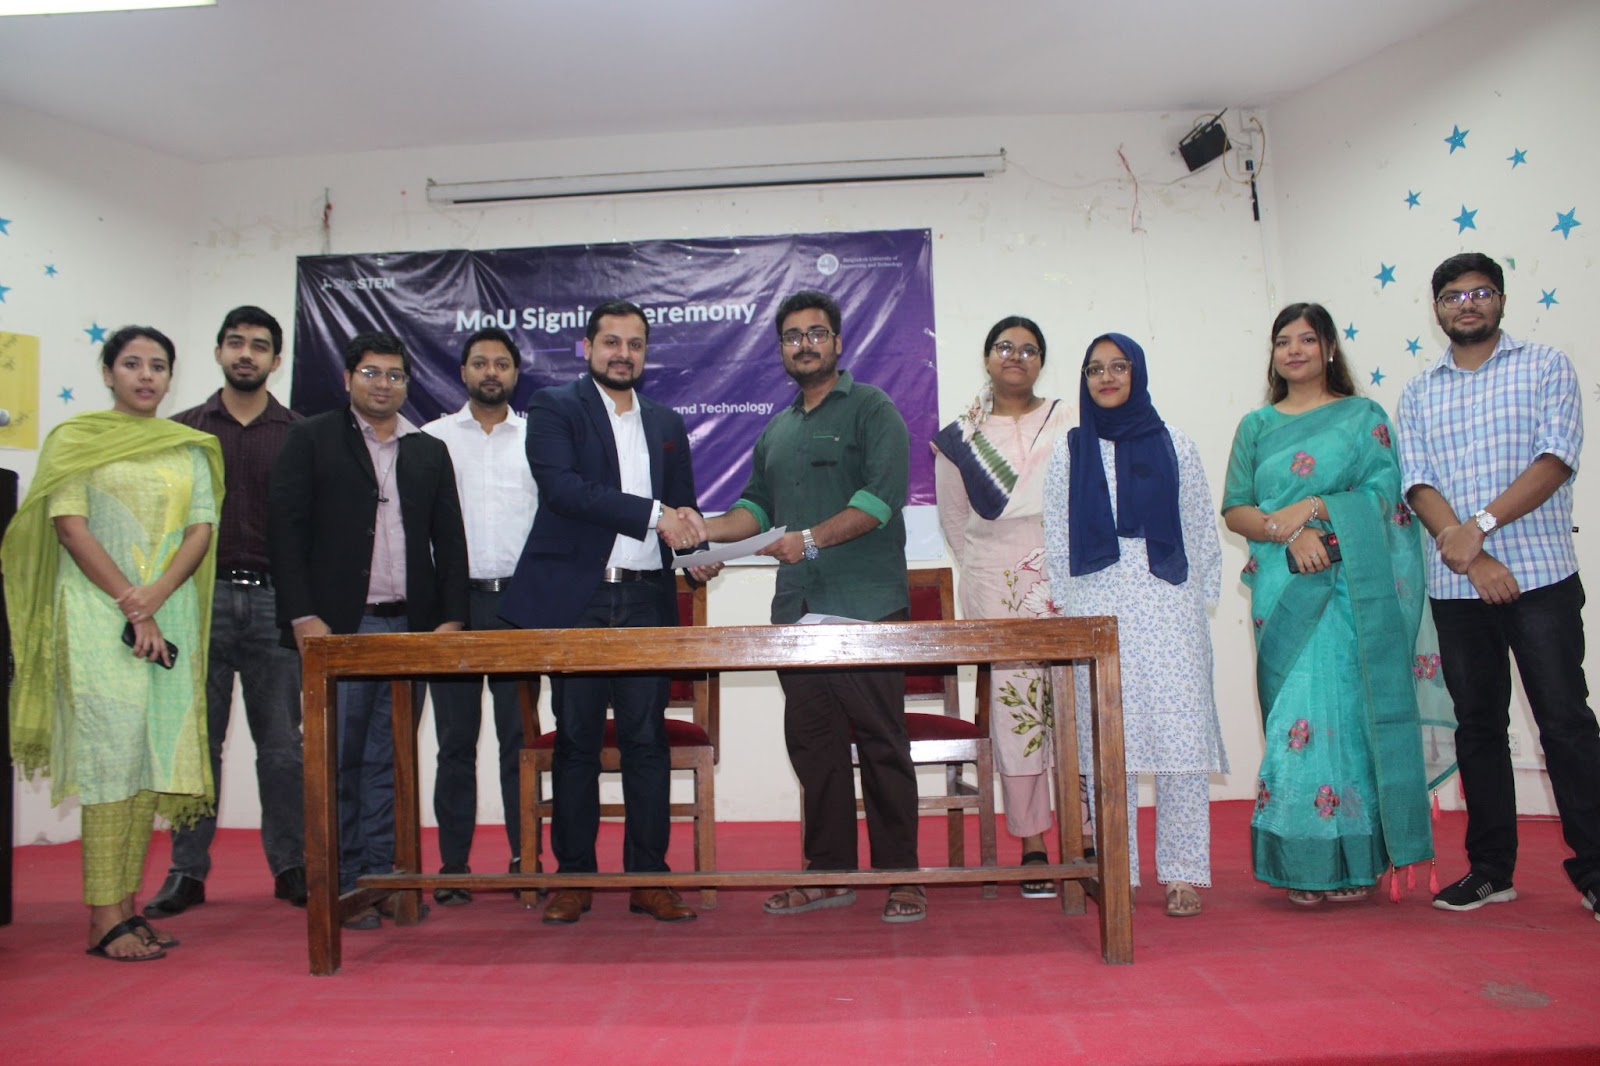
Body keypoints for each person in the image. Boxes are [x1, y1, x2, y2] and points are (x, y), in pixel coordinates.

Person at [701, 290, 924, 923]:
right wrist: (706, 537)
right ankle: (828, 872)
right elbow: (757, 512)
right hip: (796, 614)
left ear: (838, 343)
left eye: (817, 333)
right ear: (780, 350)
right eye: (793, 335)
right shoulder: (777, 429)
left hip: (865, 607)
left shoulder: (872, 409)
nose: (805, 343)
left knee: (882, 743)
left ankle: (903, 876)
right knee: (814, 745)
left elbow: (881, 501)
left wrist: (811, 540)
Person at [3, 326, 223, 960]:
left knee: (146, 758)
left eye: (158, 365)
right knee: (109, 759)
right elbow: (70, 527)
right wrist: (132, 600)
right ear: (107, 372)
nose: (146, 376)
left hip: (169, 613)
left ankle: (127, 907)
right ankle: (103, 915)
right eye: (131, 364)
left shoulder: (189, 448)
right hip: (99, 618)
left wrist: (155, 600)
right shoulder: (77, 442)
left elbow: (200, 529)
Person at [1396, 253, 1600, 919]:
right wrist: (1470, 555)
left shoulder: (1544, 366)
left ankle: (1595, 868)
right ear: (1437, 310)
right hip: (1457, 589)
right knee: (1478, 727)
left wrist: (1478, 526)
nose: (1467, 304)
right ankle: (1491, 870)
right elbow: (1417, 482)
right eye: (1454, 296)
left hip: (1540, 575)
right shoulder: (1421, 391)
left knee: (1565, 723)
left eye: (1481, 293)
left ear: (1501, 300)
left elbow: (1557, 457)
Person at [499, 300, 703, 925]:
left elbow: (684, 510)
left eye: (635, 344)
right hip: (579, 599)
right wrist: (654, 516)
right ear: (586, 348)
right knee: (578, 739)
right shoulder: (555, 407)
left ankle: (649, 879)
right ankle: (574, 879)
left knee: (647, 741)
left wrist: (697, 551)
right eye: (611, 342)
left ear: (646, 353)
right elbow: (563, 489)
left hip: (646, 597)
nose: (623, 353)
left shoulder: (667, 421)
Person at [1223, 303, 1432, 906]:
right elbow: (1236, 508)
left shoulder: (1363, 417)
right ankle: (1301, 859)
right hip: (1283, 587)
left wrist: (1316, 508)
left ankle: (1353, 859)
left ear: (1330, 349)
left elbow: (1385, 497)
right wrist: (1289, 533)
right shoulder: (1256, 426)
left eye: (1306, 340)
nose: (1294, 351)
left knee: (1344, 713)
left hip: (1349, 590)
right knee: (1295, 719)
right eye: (1282, 341)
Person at [267, 330, 469, 930]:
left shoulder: (427, 450)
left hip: (410, 629)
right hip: (340, 630)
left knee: (393, 760)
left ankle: (388, 878)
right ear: (349, 378)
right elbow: (286, 531)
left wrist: (451, 618)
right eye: (372, 373)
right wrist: (304, 617)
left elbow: (450, 542)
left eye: (395, 375)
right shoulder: (310, 440)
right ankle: (347, 881)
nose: (384, 385)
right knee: (340, 760)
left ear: (409, 382)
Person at [1042, 333, 1226, 916]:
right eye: (1095, 369)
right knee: (1108, 737)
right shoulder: (1070, 452)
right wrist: (1070, 612)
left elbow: (1199, 527)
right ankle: (1118, 867)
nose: (1106, 377)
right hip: (1098, 601)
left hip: (1167, 601)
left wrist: (1199, 601)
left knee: (1178, 738)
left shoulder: (1177, 444)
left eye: (1118, 366)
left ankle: (1182, 873)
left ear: (1137, 373)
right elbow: (1055, 537)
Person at [145, 306, 306, 919]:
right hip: (197, 602)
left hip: (273, 605)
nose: (247, 354)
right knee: (197, 745)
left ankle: (291, 865)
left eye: (259, 346)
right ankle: (187, 872)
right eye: (236, 343)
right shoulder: (181, 431)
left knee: (282, 749)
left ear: (276, 360)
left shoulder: (298, 433)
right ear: (217, 352)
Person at [932, 315, 1074, 896]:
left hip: (1069, 574)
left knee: (1074, 704)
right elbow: (955, 521)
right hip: (997, 582)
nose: (1016, 356)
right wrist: (991, 576)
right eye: (1004, 347)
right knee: (1020, 712)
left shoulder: (1071, 420)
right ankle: (1034, 842)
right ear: (988, 357)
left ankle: (1085, 833)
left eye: (1029, 349)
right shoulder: (958, 437)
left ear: (1043, 360)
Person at [421, 326, 538, 904]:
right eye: (480, 363)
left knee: (521, 740)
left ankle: (525, 858)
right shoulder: (432, 439)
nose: (491, 372)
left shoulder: (539, 438)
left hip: (520, 604)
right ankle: (454, 867)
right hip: (455, 607)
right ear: (462, 372)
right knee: (455, 740)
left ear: (516, 374)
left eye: (501, 364)